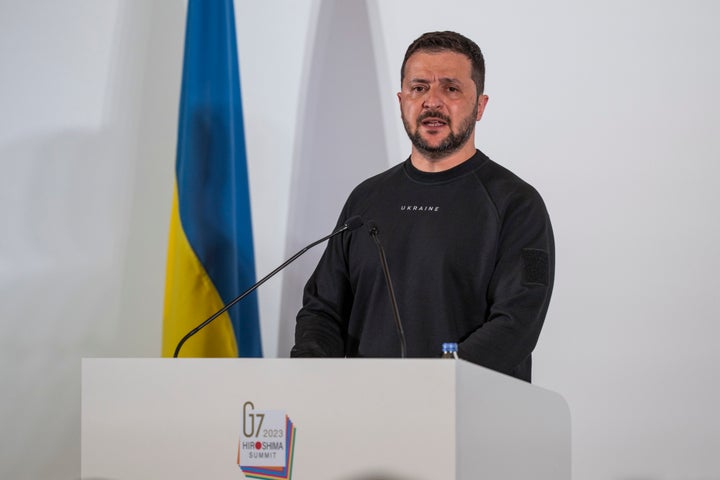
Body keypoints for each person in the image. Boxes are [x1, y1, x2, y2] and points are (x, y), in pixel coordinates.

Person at [290, 31, 554, 382]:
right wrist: (310, 374)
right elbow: (322, 310)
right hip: (365, 417)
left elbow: (517, 324)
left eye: (451, 88)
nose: (432, 101)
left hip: (469, 419)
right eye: (419, 88)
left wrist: (432, 386)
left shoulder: (517, 204)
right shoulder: (365, 200)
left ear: (480, 105)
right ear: (402, 100)